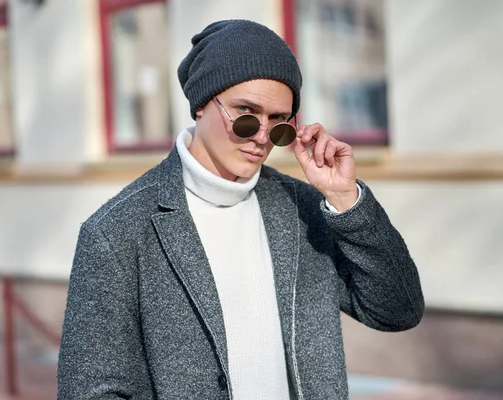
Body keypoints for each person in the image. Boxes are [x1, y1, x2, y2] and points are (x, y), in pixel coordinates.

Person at [57, 19, 423, 400]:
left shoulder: (305, 210)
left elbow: (398, 311)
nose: (262, 137)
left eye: (279, 123)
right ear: (201, 104)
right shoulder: (117, 232)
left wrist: (346, 199)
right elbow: (91, 390)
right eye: (246, 114)